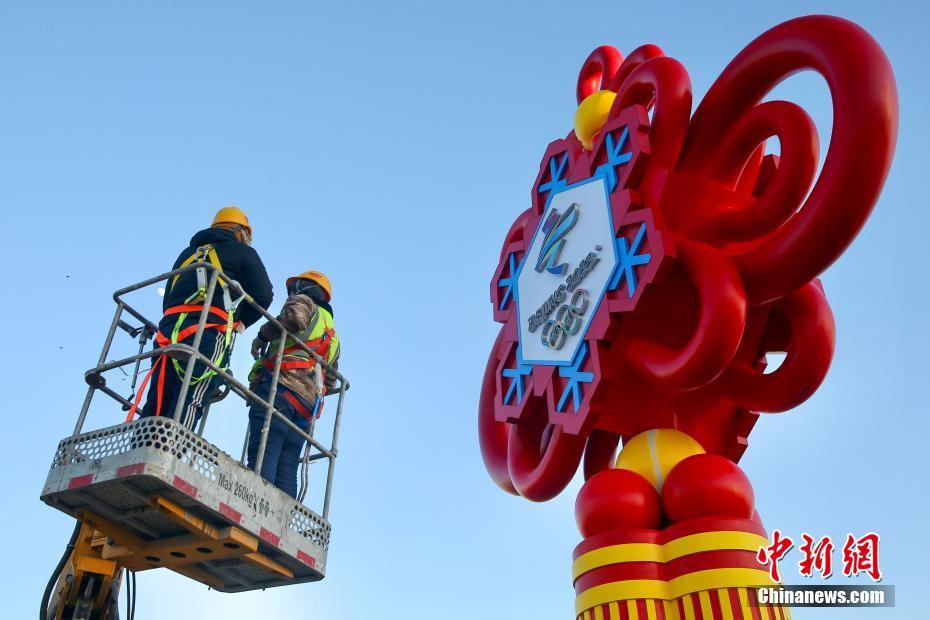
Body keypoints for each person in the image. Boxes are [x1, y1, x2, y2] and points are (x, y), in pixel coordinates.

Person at [131, 206, 274, 429]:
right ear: (241, 232)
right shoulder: (243, 252)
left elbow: (169, 295)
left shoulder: (187, 254)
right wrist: (241, 321)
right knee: (193, 395)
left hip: (168, 332)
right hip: (209, 330)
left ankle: (141, 448)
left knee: (159, 397)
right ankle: (171, 451)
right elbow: (264, 294)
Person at [247, 270, 340, 497]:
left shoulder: (304, 302)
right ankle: (281, 521)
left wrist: (263, 335)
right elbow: (331, 378)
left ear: (303, 287)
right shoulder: (332, 334)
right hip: (307, 406)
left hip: (281, 388)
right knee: (288, 464)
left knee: (265, 450)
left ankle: (255, 505)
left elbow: (294, 318)